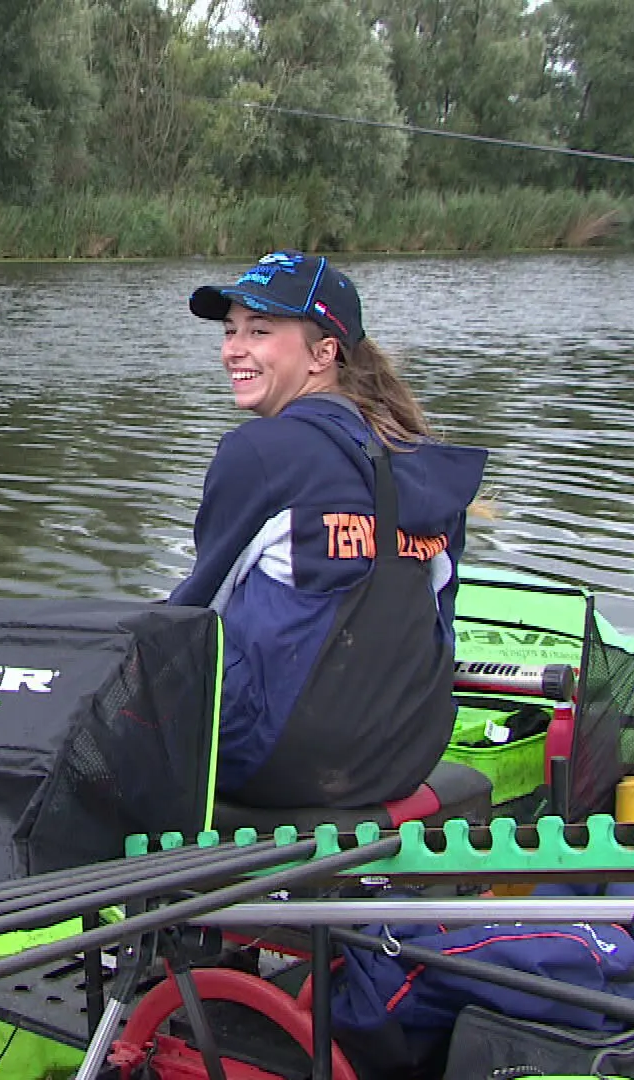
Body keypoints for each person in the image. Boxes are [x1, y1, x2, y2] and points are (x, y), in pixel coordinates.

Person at [169, 250, 488, 810]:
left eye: (260, 331)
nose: (233, 350)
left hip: (271, 761)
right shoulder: (427, 460)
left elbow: (190, 618)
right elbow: (441, 615)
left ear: (323, 353)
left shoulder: (259, 454)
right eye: (229, 331)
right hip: (405, 757)